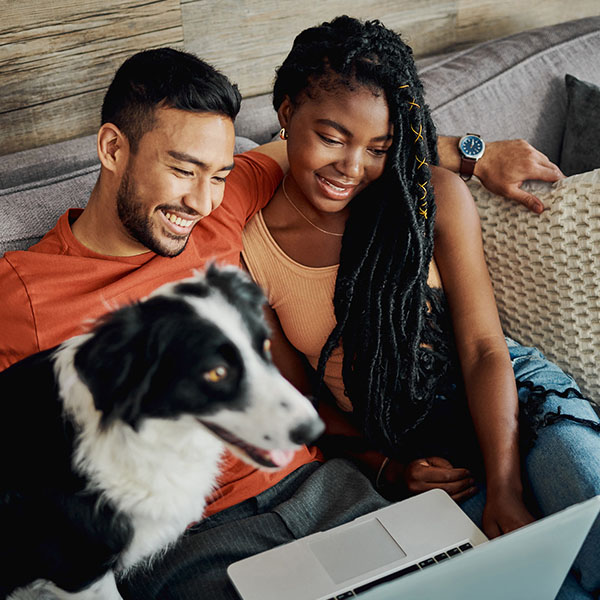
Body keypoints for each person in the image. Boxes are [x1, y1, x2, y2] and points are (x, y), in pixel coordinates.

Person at [0, 40, 578, 600]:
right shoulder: (23, 294)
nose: (201, 203)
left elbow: (341, 148)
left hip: (322, 487)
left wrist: (474, 155)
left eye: (219, 174)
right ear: (111, 148)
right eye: (182, 171)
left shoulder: (220, 208)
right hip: (193, 539)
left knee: (480, 582)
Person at [238, 16, 600, 600]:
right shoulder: (252, 250)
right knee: (534, 586)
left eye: (378, 148)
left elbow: (484, 349)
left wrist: (506, 481)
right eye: (331, 137)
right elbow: (302, 402)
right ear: (285, 113)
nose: (352, 168)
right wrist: (389, 468)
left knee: (589, 494)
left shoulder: (429, 196)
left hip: (513, 402)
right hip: (420, 455)